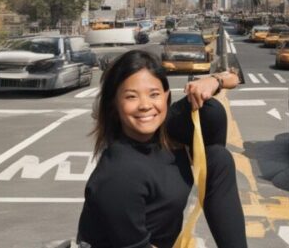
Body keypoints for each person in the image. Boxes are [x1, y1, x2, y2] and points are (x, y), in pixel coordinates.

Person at [77, 49, 247, 248]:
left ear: (166, 96)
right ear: (114, 104)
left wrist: (213, 80)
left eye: (154, 94)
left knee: (218, 158)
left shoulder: (171, 127)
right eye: (131, 97)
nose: (145, 105)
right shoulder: (119, 175)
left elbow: (234, 77)